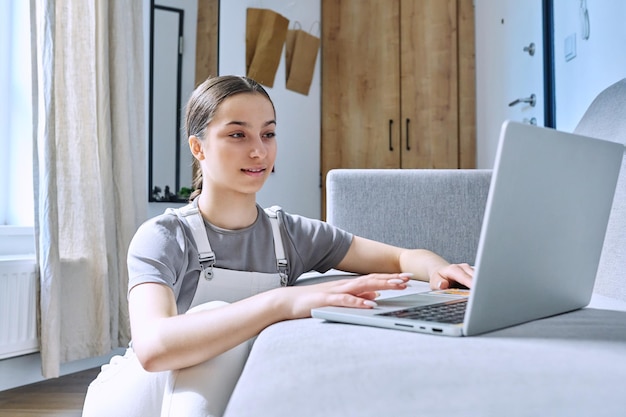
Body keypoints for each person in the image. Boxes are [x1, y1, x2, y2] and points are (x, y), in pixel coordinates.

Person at [82, 75, 474, 417]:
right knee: (216, 312)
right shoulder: (164, 236)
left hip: (216, 394)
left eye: (268, 134)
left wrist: (440, 267)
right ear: (198, 148)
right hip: (136, 398)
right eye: (238, 134)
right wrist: (282, 303)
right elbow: (153, 349)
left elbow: (401, 257)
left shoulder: (288, 234)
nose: (259, 151)